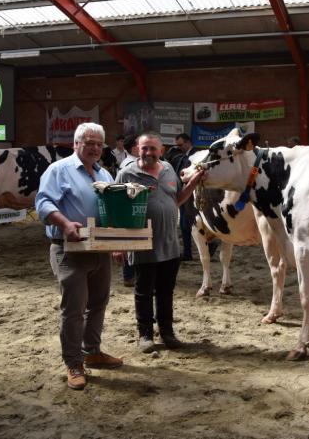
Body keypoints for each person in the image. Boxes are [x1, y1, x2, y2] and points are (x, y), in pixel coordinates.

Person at [35, 122, 123, 391]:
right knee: (73, 309)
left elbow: (112, 209)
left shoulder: (105, 174)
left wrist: (117, 242)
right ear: (76, 144)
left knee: (98, 303)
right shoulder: (58, 170)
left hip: (99, 249)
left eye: (99, 144)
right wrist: (64, 223)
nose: (95, 148)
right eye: (89, 143)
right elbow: (43, 202)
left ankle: (92, 351)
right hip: (68, 248)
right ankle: (74, 363)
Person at [115, 132, 204, 353]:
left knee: (166, 291)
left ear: (161, 150)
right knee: (143, 291)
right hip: (142, 244)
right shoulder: (127, 173)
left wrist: (192, 184)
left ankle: (167, 333)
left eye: (153, 149)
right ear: (137, 148)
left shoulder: (168, 170)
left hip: (171, 245)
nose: (148, 153)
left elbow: (176, 200)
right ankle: (145, 334)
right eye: (144, 148)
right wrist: (117, 244)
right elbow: (115, 209)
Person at [170, 133, 198, 262]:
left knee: (187, 223)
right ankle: (188, 251)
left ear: (188, 142)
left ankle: (189, 252)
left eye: (181, 145)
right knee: (185, 223)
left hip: (192, 195)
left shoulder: (196, 155)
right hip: (183, 193)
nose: (179, 147)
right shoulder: (182, 156)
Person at [120, 134, 139, 287]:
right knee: (131, 244)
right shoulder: (131, 165)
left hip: (128, 208)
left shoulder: (126, 161)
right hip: (131, 207)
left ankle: (129, 275)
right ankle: (129, 276)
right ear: (134, 148)